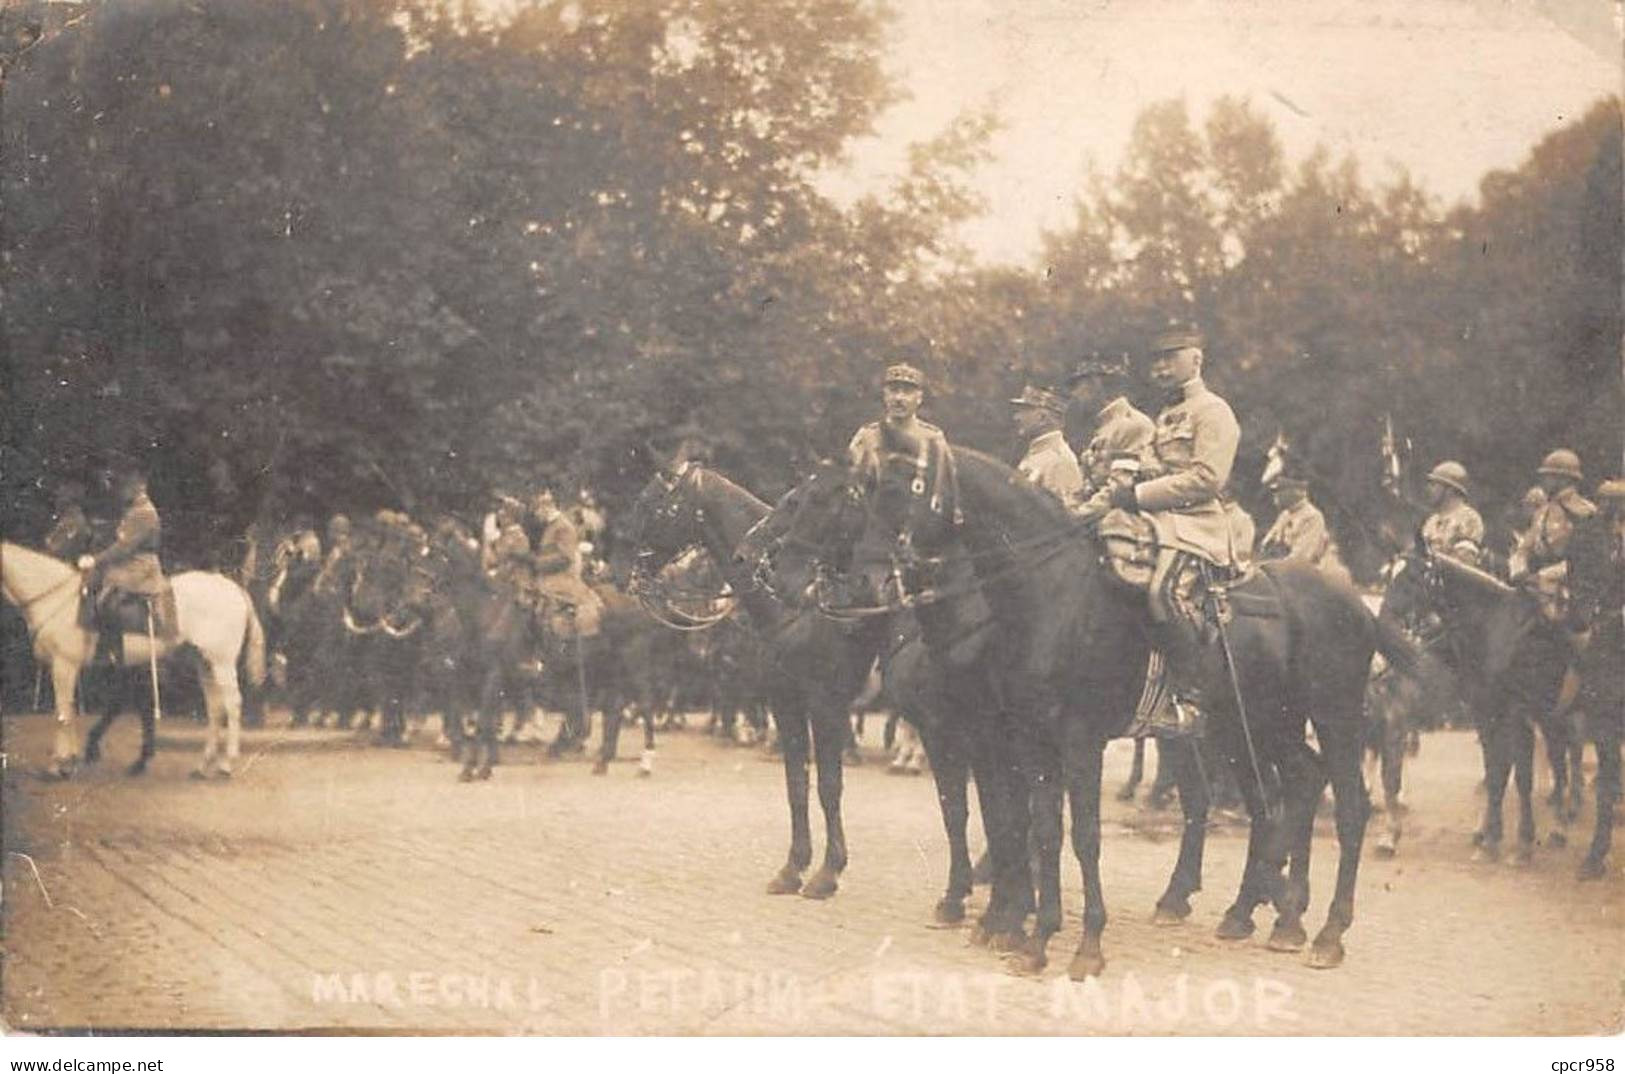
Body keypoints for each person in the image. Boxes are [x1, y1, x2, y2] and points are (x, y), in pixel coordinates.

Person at [1101, 325, 1241, 729]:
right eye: (1156, 360)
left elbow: (1207, 479)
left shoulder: (1214, 411)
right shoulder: (1165, 414)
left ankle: (1191, 695)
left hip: (1196, 525)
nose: (1160, 367)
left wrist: (1140, 494)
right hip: (1152, 521)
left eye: (1171, 357)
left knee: (1164, 591)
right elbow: (1147, 461)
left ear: (1196, 359)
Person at [76, 464, 172, 662]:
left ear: (139, 485)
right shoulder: (133, 509)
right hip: (130, 563)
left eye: (127, 484)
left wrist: (95, 560)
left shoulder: (144, 511)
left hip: (141, 566)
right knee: (93, 584)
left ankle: (112, 651)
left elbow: (124, 547)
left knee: (107, 597)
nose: (122, 489)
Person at [848, 363, 959, 523]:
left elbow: (945, 491)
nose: (899, 398)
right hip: (873, 527)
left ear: (919, 398)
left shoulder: (933, 438)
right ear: (885, 396)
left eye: (907, 392)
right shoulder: (867, 436)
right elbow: (851, 488)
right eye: (893, 391)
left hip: (919, 529)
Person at [1062, 352, 1155, 499]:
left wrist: (1076, 516)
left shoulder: (1132, 425)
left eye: (1078, 385)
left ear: (1095, 384)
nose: (1074, 394)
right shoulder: (1105, 426)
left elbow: (1119, 489)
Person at [1511, 448, 1595, 579]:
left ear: (1564, 479)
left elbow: (1584, 561)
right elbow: (1524, 549)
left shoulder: (1585, 513)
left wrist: (1541, 576)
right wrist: (1519, 571)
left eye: (1549, 476)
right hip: (1537, 586)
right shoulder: (1542, 512)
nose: (1544, 481)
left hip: (1572, 586)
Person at [1259, 471, 1349, 583]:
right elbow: (1267, 544)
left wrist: (1273, 567)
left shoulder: (1312, 516)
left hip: (1307, 578)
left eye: (1280, 491)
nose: (1275, 496)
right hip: (1282, 571)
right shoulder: (1285, 514)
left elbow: (1301, 559)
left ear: (1296, 492)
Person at [1009, 384, 1084, 509]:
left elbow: (1066, 519)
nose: (1016, 417)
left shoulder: (1060, 461)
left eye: (1024, 410)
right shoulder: (1037, 453)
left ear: (1042, 417)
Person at [1420, 460, 1485, 566]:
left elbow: (1464, 562)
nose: (1428, 489)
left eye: (1434, 485)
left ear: (1449, 489)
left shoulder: (1469, 518)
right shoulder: (1431, 522)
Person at [44, 479, 95, 559]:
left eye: (59, 497)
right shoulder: (70, 519)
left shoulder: (73, 522)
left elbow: (57, 550)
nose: (56, 501)